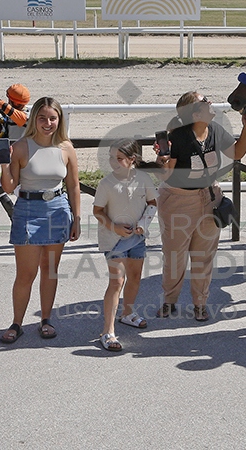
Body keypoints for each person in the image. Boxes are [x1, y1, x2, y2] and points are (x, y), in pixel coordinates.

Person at [154, 92, 246, 321]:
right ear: (195, 114)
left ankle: (200, 303)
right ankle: (169, 301)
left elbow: (237, 152)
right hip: (178, 201)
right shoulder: (177, 137)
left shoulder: (216, 130)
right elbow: (166, 175)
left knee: (204, 256)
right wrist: (162, 160)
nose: (210, 102)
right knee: (175, 257)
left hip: (209, 198)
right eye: (204, 101)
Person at [0, 97, 81, 343]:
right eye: (42, 118)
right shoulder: (21, 147)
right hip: (27, 210)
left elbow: (73, 186)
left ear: (59, 120)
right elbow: (9, 186)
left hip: (58, 210)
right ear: (34, 118)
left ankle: (46, 320)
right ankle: (17, 323)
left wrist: (76, 218)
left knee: (50, 270)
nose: (47, 123)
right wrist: (4, 164)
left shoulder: (66, 148)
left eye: (52, 118)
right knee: (26, 274)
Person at [93, 139, 157, 351]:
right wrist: (115, 228)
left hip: (137, 238)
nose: (113, 162)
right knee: (116, 282)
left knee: (135, 277)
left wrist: (143, 223)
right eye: (111, 157)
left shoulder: (144, 179)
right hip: (114, 240)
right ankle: (108, 331)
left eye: (119, 158)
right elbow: (97, 211)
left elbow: (152, 203)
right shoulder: (106, 184)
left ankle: (127, 313)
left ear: (132, 159)